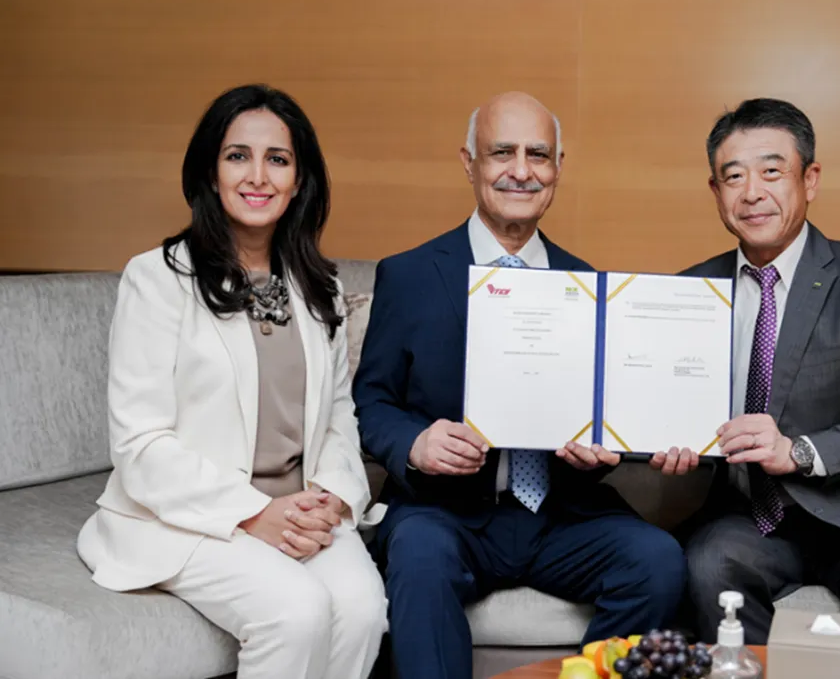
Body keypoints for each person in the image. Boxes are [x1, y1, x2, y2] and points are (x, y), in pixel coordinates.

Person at [353, 91, 686, 678]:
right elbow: (371, 401)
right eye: (501, 152)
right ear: (469, 162)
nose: (521, 170)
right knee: (418, 554)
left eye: (538, 154)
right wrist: (415, 443)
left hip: (561, 513)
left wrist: (600, 450)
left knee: (658, 561)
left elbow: (605, 414)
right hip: (446, 513)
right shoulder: (409, 275)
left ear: (558, 167)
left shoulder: (588, 284)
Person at [76, 84, 388, 679]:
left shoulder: (318, 287)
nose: (258, 176)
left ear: (299, 180)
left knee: (362, 608)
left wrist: (331, 498)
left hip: (298, 507)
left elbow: (337, 418)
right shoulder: (157, 279)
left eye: (278, 159)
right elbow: (141, 445)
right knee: (295, 611)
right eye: (237, 156)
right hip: (186, 518)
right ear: (210, 171)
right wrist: (252, 514)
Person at [651, 97, 840, 648]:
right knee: (707, 565)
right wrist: (656, 442)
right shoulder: (690, 292)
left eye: (772, 172)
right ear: (715, 191)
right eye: (734, 177)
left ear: (810, 179)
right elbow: (663, 406)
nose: (752, 192)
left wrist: (796, 451)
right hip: (751, 517)